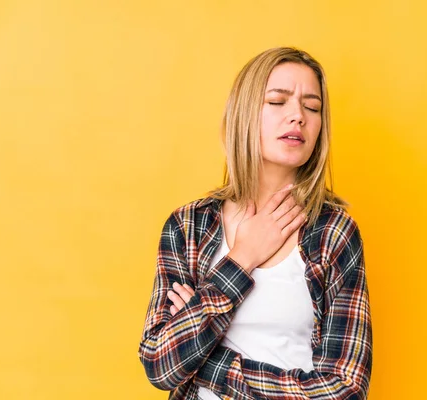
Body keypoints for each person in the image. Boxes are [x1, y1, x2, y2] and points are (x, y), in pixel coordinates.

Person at [138, 47, 372, 399]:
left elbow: (346, 391)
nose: (298, 116)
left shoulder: (334, 233)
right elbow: (160, 364)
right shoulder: (188, 226)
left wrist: (209, 360)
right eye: (278, 101)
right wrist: (241, 259)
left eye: (312, 107)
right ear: (245, 114)